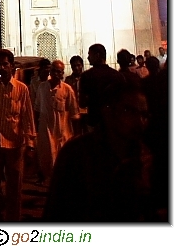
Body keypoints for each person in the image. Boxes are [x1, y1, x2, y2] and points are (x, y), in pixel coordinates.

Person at [43, 77, 157, 222]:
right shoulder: (78, 155)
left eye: (144, 115)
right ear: (108, 111)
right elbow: (56, 211)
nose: (139, 121)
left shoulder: (146, 157)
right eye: (129, 111)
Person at [0, 49, 36, 222]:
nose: (1, 68)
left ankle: (13, 222)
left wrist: (30, 144)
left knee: (14, 188)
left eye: (5, 64)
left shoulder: (21, 89)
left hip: (15, 145)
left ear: (12, 67)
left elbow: (27, 116)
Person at [34, 59, 80, 182]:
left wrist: (76, 136)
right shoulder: (42, 88)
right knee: (46, 161)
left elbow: (74, 114)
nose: (56, 74)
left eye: (59, 72)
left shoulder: (67, 90)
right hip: (45, 132)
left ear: (62, 73)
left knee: (61, 163)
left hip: (62, 133)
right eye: (54, 71)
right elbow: (37, 109)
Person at [79, 43, 119, 129]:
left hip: (94, 120)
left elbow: (82, 102)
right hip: (114, 120)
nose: (88, 58)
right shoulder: (116, 75)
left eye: (90, 54)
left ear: (97, 55)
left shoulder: (86, 76)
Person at [64, 55, 88, 134]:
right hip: (73, 112)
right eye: (74, 66)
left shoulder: (87, 78)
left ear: (82, 65)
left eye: (78, 65)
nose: (76, 68)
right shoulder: (68, 80)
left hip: (85, 111)